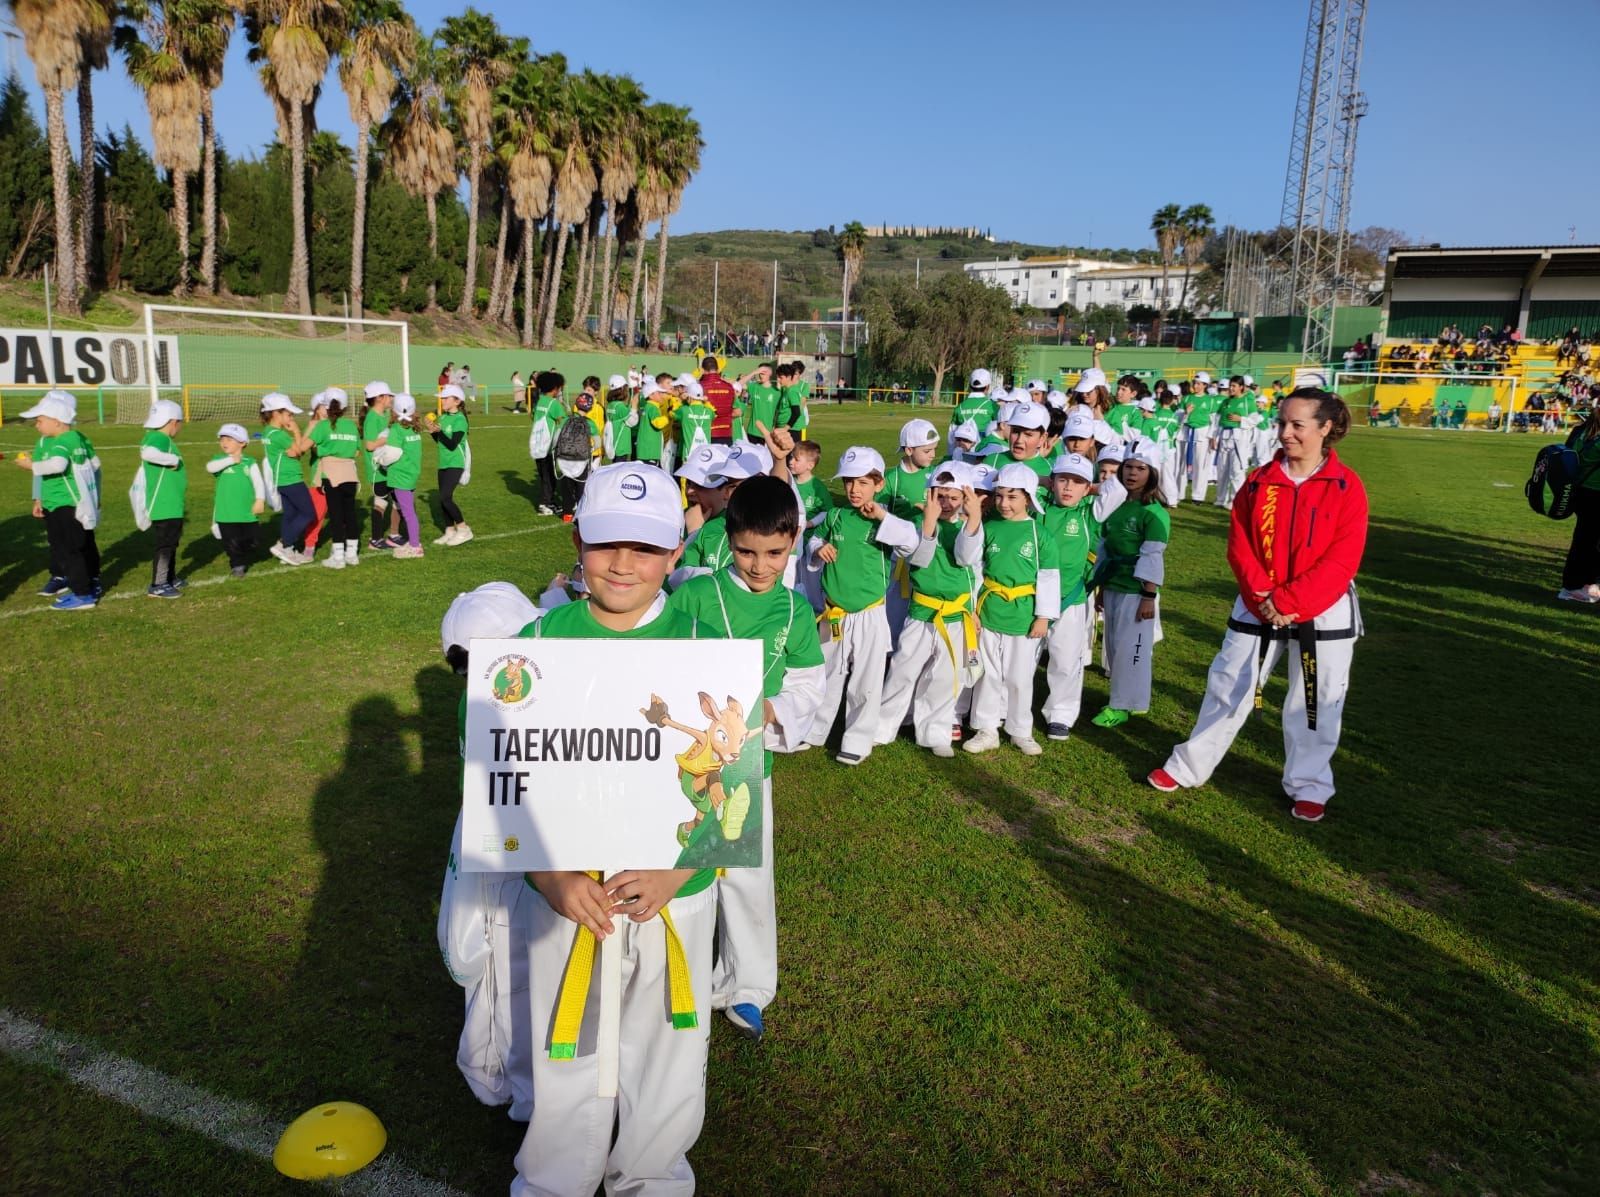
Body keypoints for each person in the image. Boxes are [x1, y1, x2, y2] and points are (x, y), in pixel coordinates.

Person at [511, 463, 719, 1197]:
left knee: (667, 1045)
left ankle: (654, 1177)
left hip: (673, 891)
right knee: (563, 1045)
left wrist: (679, 873)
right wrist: (551, 876)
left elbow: (734, 792)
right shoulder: (534, 643)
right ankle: (553, 1179)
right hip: (569, 893)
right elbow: (512, 785)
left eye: (646, 547)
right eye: (605, 544)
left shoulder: (705, 643)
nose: (624, 564)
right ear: (577, 538)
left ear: (674, 553)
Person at [1151, 389, 1368, 823]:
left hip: (1321, 609)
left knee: (1315, 699)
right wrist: (1265, 597)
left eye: (1297, 425)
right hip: (1258, 602)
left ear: (1325, 429)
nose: (1285, 433)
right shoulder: (1258, 480)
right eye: (1282, 423)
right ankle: (1189, 765)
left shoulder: (1346, 486)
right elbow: (1240, 544)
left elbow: (1343, 557)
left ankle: (1309, 785)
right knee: (1228, 685)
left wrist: (1291, 600)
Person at [668, 475, 826, 1043]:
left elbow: (810, 684)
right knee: (684, 866)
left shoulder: (795, 611)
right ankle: (679, 974)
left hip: (750, 767)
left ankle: (749, 988)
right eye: (747, 552)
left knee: (748, 878)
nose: (761, 566)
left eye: (776, 554)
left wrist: (771, 713)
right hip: (685, 764)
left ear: (794, 542)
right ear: (727, 539)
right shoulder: (694, 593)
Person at [438, 581, 543, 1124]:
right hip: (503, 844)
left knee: (518, 958)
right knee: (507, 960)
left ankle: (509, 1072)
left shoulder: (489, 696)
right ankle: (503, 1078)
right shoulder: (490, 708)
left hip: (512, 836)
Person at [801, 446, 919, 765]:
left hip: (869, 613)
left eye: (863, 482)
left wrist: (881, 516)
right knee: (828, 673)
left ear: (879, 484)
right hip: (834, 612)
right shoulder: (836, 516)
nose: (854, 489)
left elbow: (911, 542)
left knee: (866, 680)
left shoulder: (884, 522)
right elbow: (812, 541)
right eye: (849, 482)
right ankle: (814, 730)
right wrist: (818, 548)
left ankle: (857, 738)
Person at [875, 461, 983, 758]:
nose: (946, 504)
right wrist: (929, 524)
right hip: (921, 612)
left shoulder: (970, 527)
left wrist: (973, 520)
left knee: (945, 677)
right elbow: (919, 560)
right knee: (903, 670)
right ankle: (882, 728)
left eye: (954, 497)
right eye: (940, 495)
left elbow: (965, 559)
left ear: (965, 498)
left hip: (955, 616)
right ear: (930, 494)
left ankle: (934, 732)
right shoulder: (915, 523)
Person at [964, 461, 1061, 755]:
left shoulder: (1038, 534)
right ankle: (986, 728)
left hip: (1023, 617)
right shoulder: (988, 527)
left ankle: (1020, 729)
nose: (1004, 503)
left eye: (1012, 497)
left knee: (1019, 678)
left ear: (1029, 498)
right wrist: (973, 609)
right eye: (1000, 495)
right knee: (988, 675)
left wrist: (1043, 617)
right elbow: (976, 572)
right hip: (990, 612)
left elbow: (1049, 578)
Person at [1041, 452, 1126, 739]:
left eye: (1076, 482)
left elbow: (1120, 487)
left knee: (1066, 659)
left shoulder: (1090, 512)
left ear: (1087, 487)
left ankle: (1061, 714)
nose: (1068, 487)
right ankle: (1005, 709)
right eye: (1062, 479)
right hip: (1031, 596)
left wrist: (1090, 488)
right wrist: (1044, 482)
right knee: (1021, 659)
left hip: (1071, 598)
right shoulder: (1037, 506)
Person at [1092, 439, 1169, 728]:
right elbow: (1105, 547)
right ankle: (1132, 699)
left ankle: (1123, 705)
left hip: (1137, 591)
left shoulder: (1154, 513)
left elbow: (1152, 557)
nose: (1132, 474)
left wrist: (1148, 595)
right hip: (1113, 585)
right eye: (1128, 467)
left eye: (1140, 468)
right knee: (1113, 646)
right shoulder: (1117, 505)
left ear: (1152, 473)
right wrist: (1100, 587)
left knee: (1132, 648)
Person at [15, 390, 101, 610]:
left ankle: (83, 595)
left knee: (72, 549)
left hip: (66, 504)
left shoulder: (64, 440)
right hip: (59, 502)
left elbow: (57, 466)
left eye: (40, 420)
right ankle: (83, 587)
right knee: (72, 547)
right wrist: (39, 498)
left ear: (56, 421)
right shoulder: (66, 438)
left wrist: (30, 466)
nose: (36, 425)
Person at [138, 398, 188, 598]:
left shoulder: (162, 439)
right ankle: (158, 584)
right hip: (163, 503)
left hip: (172, 503)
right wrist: (172, 459)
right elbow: (147, 453)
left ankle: (169, 577)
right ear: (173, 422)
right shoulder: (158, 438)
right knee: (165, 543)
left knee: (172, 541)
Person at [308, 387, 362, 568]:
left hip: (331, 474)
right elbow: (356, 450)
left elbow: (308, 445)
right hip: (350, 474)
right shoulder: (351, 426)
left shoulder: (322, 426)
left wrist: (319, 449)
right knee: (350, 514)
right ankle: (352, 554)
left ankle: (338, 557)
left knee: (336, 516)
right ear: (345, 407)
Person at [261, 392, 315, 566]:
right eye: (289, 414)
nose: (291, 418)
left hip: (282, 480)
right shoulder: (279, 435)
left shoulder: (268, 433)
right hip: (291, 479)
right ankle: (283, 544)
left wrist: (294, 445)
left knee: (290, 515)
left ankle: (289, 550)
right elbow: (299, 451)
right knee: (308, 513)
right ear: (276, 413)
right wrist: (297, 431)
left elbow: (294, 453)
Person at [207, 422, 265, 578]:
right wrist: (231, 460)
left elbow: (258, 482)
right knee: (231, 543)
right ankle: (237, 565)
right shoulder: (219, 460)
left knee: (254, 541)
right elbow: (210, 468)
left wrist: (260, 499)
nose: (224, 443)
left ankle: (242, 553)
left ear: (243, 443)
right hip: (226, 512)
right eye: (222, 439)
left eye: (229, 439)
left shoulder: (250, 462)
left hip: (247, 511)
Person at [1557, 403, 1600, 603]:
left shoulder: (1580, 431)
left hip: (1580, 492)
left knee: (1585, 540)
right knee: (1587, 543)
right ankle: (1573, 586)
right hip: (1595, 493)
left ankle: (1584, 584)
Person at [374, 393, 425, 558]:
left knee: (408, 512)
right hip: (411, 473)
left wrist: (380, 459)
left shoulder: (396, 429)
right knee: (409, 510)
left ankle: (415, 547)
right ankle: (414, 543)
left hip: (400, 475)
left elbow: (393, 453)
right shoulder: (413, 428)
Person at [428, 383, 473, 545]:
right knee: (442, 500)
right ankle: (449, 530)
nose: (443, 401)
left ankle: (464, 529)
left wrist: (439, 432)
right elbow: (440, 442)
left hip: (455, 463)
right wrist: (433, 432)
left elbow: (453, 444)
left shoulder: (460, 420)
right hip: (443, 463)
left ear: (457, 401)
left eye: (446, 398)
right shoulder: (444, 417)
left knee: (445, 498)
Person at [362, 380, 401, 551]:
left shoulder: (383, 415)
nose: (391, 398)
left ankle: (394, 535)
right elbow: (370, 445)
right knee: (381, 502)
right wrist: (389, 438)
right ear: (379, 398)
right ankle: (375, 539)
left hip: (388, 466)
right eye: (388, 396)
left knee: (397, 499)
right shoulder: (371, 418)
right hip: (378, 469)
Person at [530, 370, 568, 517]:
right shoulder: (554, 403)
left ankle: (549, 501)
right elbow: (563, 421)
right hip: (548, 445)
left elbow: (533, 416)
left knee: (544, 474)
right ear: (555, 388)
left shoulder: (540, 401)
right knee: (549, 476)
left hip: (537, 443)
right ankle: (545, 503)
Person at [698, 356, 738, 444]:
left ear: (703, 370)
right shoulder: (729, 387)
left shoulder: (699, 386)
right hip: (726, 432)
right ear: (718, 369)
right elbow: (736, 411)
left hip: (706, 433)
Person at [602, 374, 637, 464]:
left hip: (614, 444)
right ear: (622, 390)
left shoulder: (610, 405)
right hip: (621, 446)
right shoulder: (620, 407)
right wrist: (634, 407)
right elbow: (632, 422)